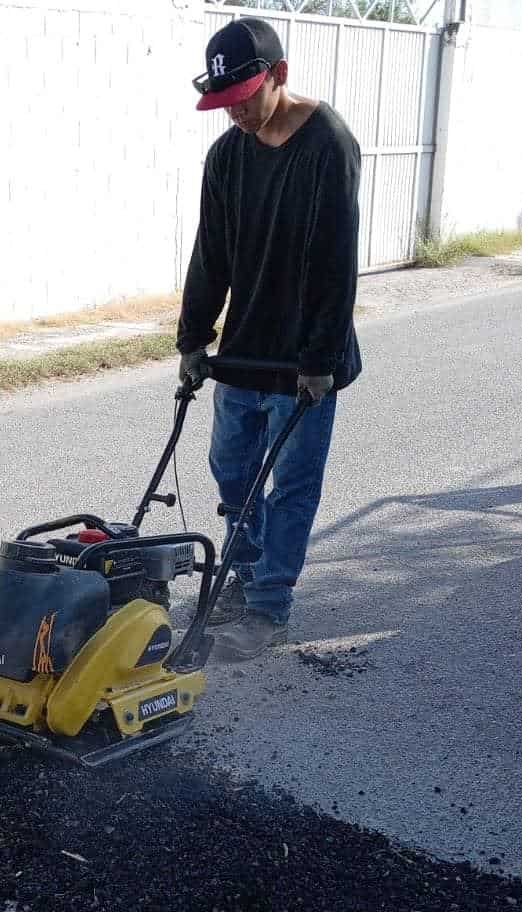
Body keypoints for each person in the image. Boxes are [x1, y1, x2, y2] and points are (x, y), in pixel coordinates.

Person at [177, 16, 362, 661]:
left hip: (307, 358)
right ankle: (244, 568)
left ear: (278, 76)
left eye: (244, 100)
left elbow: (336, 260)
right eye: (223, 105)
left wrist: (319, 360)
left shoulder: (327, 145)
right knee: (231, 470)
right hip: (245, 353)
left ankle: (266, 607)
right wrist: (194, 340)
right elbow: (211, 256)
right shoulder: (226, 156)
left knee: (292, 484)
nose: (236, 116)